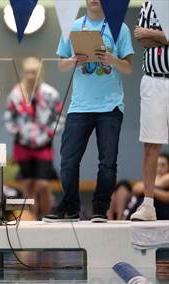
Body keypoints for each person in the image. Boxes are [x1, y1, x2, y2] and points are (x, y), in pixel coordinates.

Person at [43, 0, 134, 223]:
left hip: (110, 105)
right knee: (68, 160)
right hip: (80, 105)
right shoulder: (73, 27)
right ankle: (70, 207)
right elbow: (61, 65)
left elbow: (128, 67)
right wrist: (74, 60)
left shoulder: (119, 27)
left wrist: (112, 60)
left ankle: (100, 208)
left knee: (107, 161)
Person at [5, 57, 64, 219]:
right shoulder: (16, 93)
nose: (31, 76)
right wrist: (18, 132)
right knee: (28, 185)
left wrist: (48, 135)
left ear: (40, 73)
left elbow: (59, 118)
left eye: (34, 72)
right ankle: (31, 221)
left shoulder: (50, 94)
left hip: (43, 145)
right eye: (28, 72)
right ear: (24, 73)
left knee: (43, 184)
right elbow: (9, 117)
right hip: (22, 145)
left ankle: (46, 218)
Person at [130, 1, 169, 221]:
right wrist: (163, 35)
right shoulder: (148, 4)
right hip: (153, 81)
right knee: (151, 145)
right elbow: (141, 38)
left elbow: (147, 35)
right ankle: (148, 205)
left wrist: (151, 33)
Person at [109, 154, 169, 220]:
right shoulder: (150, 178)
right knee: (123, 185)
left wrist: (148, 190)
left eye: (163, 165)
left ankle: (125, 217)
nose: (159, 168)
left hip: (161, 210)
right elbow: (136, 189)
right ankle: (117, 217)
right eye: (156, 165)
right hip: (136, 204)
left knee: (146, 199)